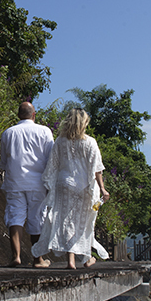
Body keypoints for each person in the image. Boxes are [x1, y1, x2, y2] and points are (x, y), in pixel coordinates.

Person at [32, 108, 111, 269]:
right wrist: (102, 188)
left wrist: (50, 184)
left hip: (64, 185)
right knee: (83, 222)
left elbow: (52, 164)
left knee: (65, 221)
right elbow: (97, 169)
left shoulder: (60, 141)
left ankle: (71, 261)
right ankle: (86, 258)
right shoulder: (90, 142)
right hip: (83, 187)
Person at [0, 102, 54, 267]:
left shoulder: (8, 133)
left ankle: (16, 257)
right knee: (37, 218)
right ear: (34, 114)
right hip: (37, 182)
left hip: (15, 181)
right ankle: (38, 259)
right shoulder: (44, 131)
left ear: (18, 115)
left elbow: (4, 162)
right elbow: (51, 159)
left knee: (15, 216)